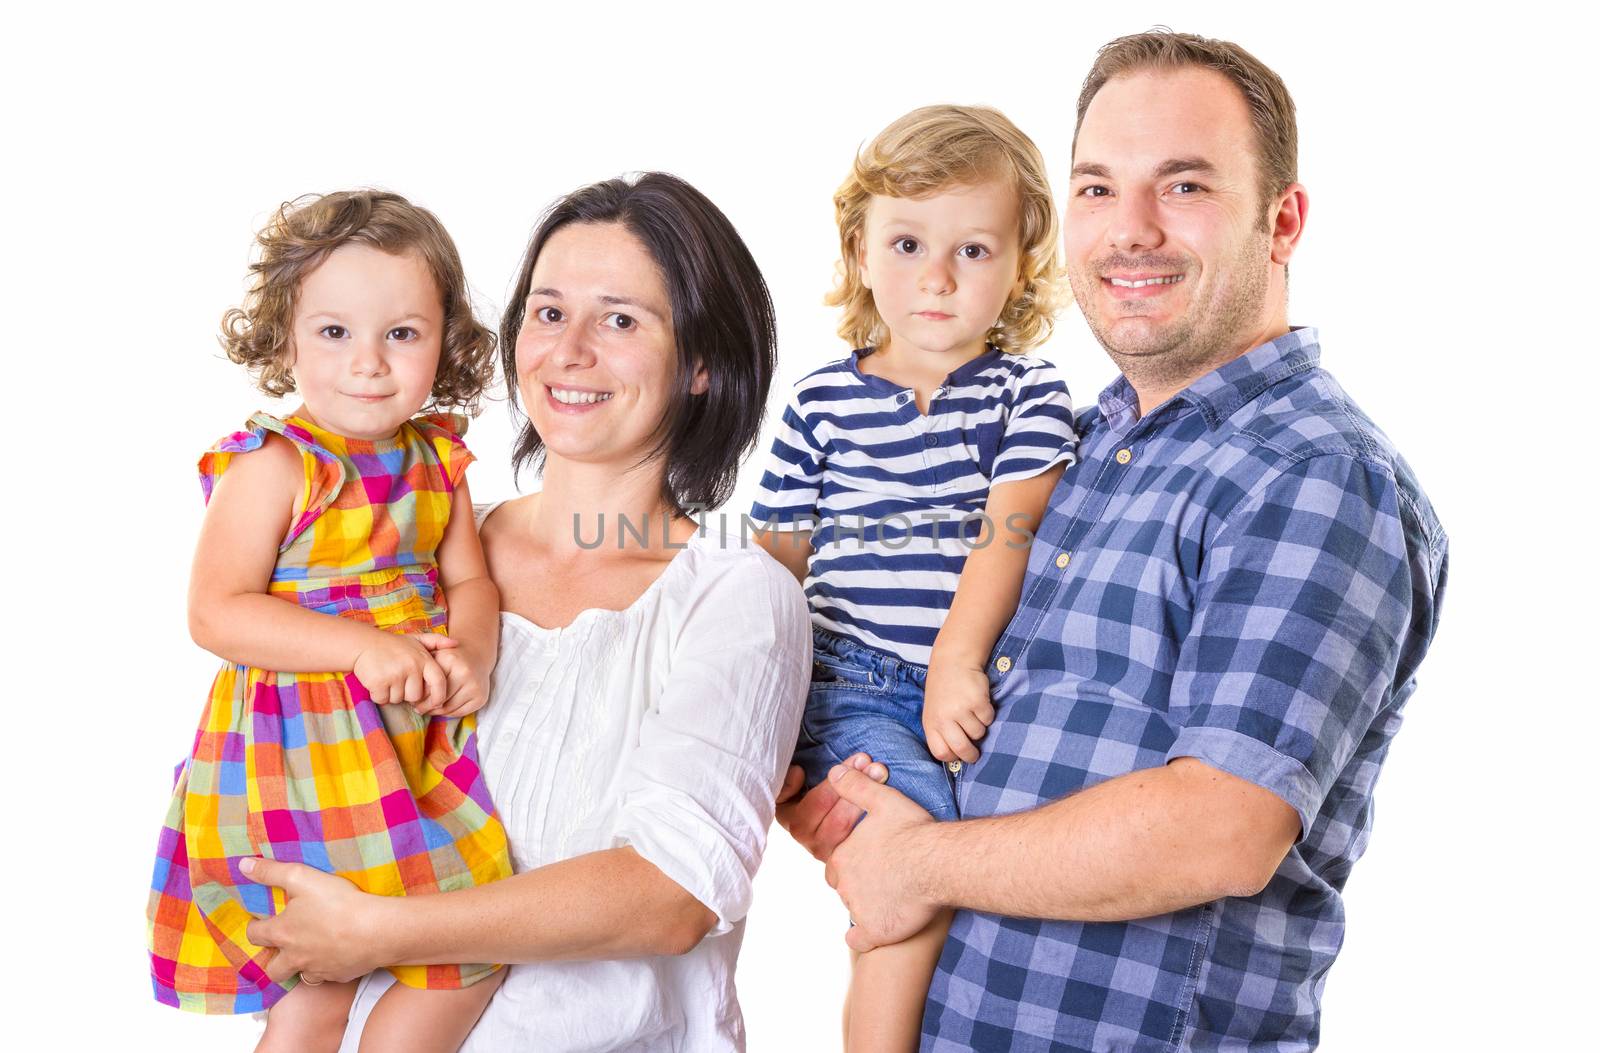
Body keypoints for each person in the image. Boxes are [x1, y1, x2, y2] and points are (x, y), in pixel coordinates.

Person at [780, 30, 1449, 1051]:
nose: (1129, 231)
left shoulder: (1312, 474)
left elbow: (1223, 828)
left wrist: (917, 865)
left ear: (1282, 220)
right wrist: (852, 795)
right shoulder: (1080, 449)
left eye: (1182, 186)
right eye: (1097, 189)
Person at [236, 173, 812, 1052]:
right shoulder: (416, 554)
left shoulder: (733, 596)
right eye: (547, 312)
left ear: (702, 363)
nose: (569, 351)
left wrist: (377, 933)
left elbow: (670, 896)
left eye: (620, 319)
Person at [146, 189, 514, 1053]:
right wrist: (361, 645)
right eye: (334, 332)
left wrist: (474, 654)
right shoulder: (276, 464)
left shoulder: (438, 460)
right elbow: (215, 610)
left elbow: (471, 577)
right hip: (295, 758)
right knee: (317, 979)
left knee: (462, 948)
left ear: (446, 340)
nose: (369, 364)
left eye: (402, 333)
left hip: (404, 747)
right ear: (284, 338)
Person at [750, 104, 1076, 1049]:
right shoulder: (820, 403)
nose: (935, 276)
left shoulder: (1028, 393)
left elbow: (1005, 534)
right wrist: (760, 717)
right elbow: (775, 566)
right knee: (915, 866)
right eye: (905, 243)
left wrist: (954, 660)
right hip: (851, 678)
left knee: (995, 877)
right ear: (859, 252)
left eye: (974, 250)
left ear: (1021, 264)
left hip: (961, 681)